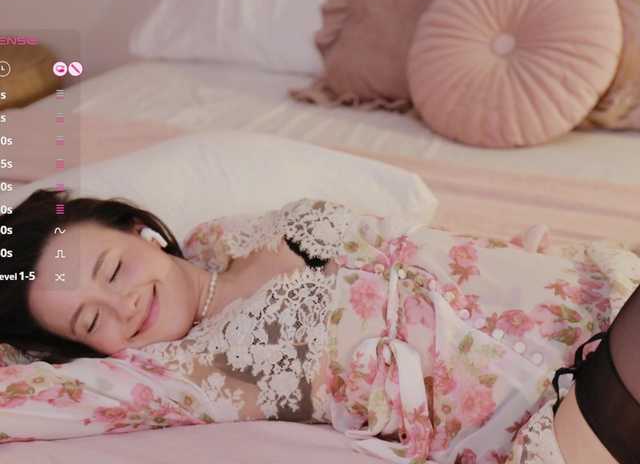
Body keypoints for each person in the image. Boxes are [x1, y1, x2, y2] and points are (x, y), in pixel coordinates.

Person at [0, 188, 637, 463]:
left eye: (113, 270)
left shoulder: (240, 232)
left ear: (139, 230)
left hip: (581, 299)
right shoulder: (174, 373)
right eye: (92, 319)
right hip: (553, 415)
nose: (123, 305)